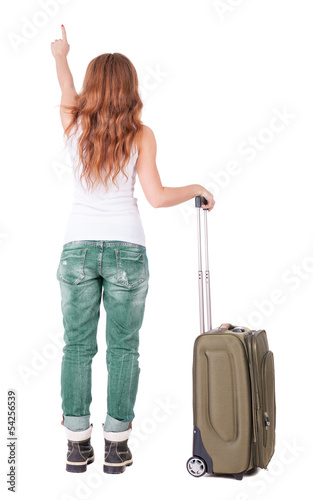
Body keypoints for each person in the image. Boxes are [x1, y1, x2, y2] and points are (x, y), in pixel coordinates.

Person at [51, 25, 215, 475]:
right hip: (128, 251)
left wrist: (61, 54)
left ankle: (76, 446)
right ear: (130, 88)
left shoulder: (75, 122)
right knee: (124, 349)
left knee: (76, 347)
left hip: (77, 249)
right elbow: (158, 197)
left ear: (92, 87)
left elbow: (66, 85)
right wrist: (198, 187)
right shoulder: (141, 134)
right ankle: (117, 447)